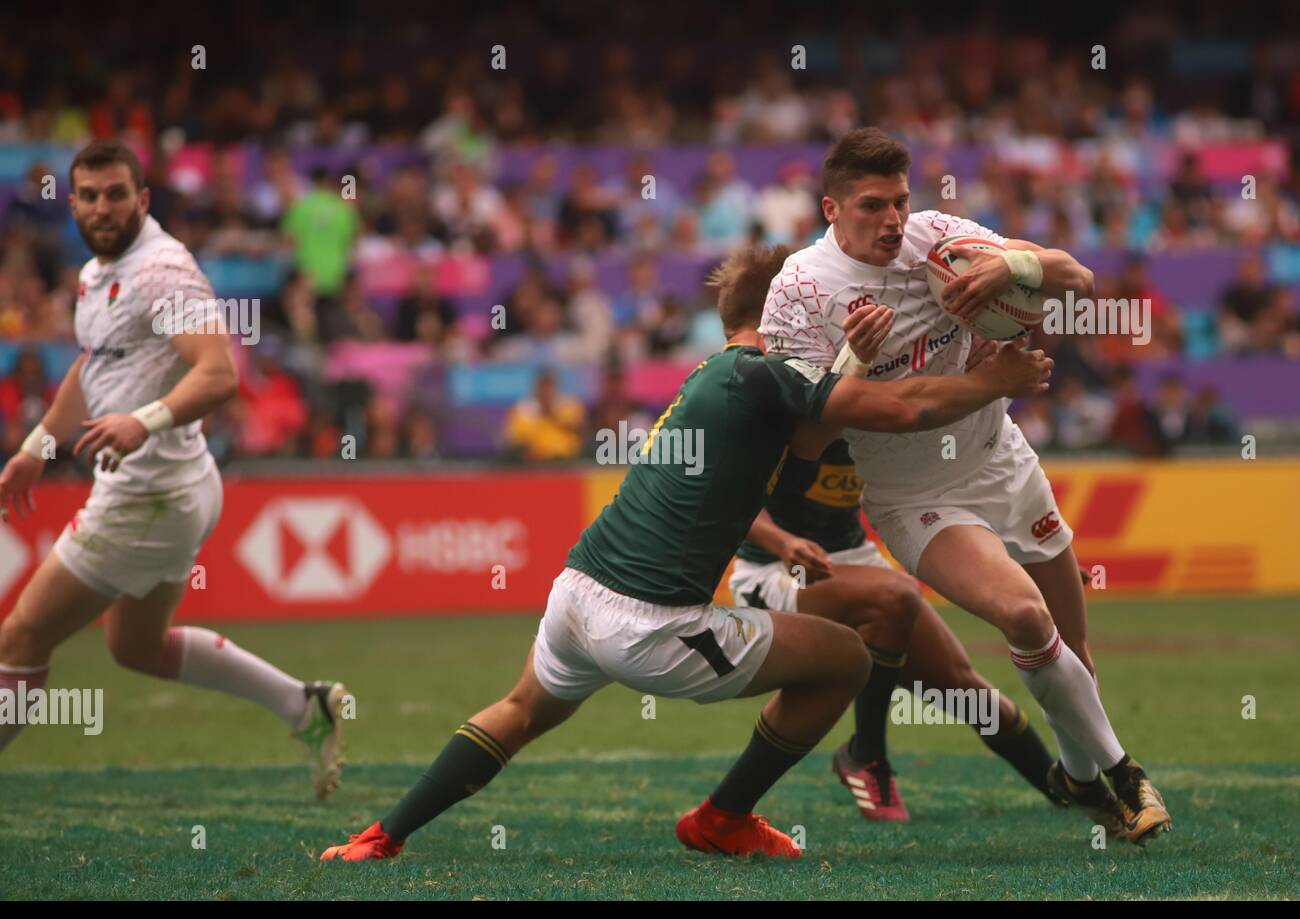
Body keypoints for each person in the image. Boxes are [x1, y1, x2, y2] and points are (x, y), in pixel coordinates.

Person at [319, 243, 1051, 861]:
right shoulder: (769, 376)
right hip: (651, 626)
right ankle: (724, 815)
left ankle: (384, 834)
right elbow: (902, 408)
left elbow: (807, 439)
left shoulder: (719, 374)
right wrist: (993, 380)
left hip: (577, 589)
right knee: (846, 660)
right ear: (784, 314)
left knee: (519, 709)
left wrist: (852, 358)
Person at [758, 127, 1171, 845]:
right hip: (917, 499)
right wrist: (854, 361)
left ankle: (1077, 775)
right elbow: (806, 440)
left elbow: (1077, 280)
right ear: (831, 208)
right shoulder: (798, 291)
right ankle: (1126, 774)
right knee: (1025, 618)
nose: (892, 220)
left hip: (1003, 459)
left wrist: (1014, 263)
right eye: (871, 206)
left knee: (1076, 650)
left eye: (901, 201)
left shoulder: (935, 238)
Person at [0, 140, 347, 797]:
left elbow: (219, 374)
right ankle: (306, 706)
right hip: (178, 486)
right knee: (134, 646)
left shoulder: (162, 269)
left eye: (117, 194)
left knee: (21, 633)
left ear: (143, 199)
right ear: (71, 203)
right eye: (91, 195)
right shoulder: (96, 273)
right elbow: (92, 364)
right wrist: (36, 449)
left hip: (147, 493)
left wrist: (143, 419)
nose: (104, 207)